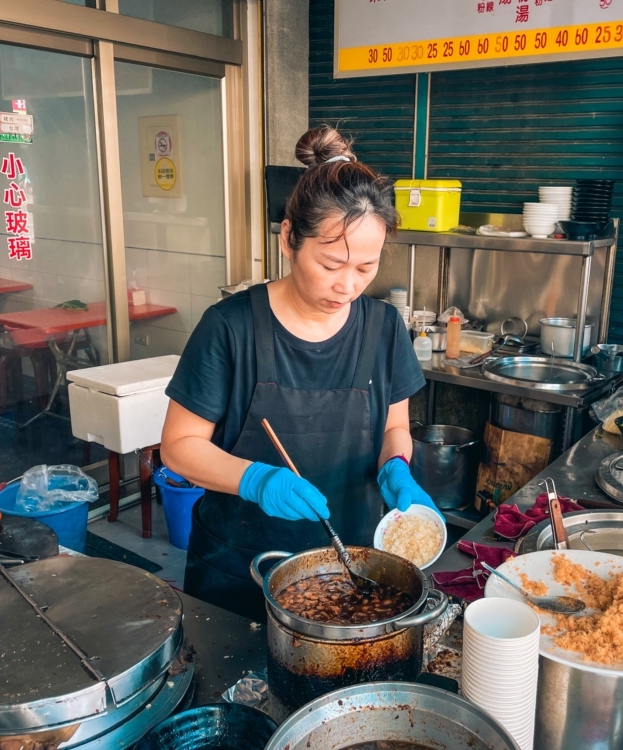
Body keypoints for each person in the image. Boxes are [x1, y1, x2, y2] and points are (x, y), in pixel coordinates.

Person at [161, 126, 439, 619]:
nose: (348, 285)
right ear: (289, 237)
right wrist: (256, 481)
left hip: (351, 567)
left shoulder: (384, 327)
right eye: (332, 264)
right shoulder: (230, 327)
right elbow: (179, 448)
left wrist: (396, 465)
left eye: (366, 268)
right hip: (239, 569)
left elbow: (395, 426)